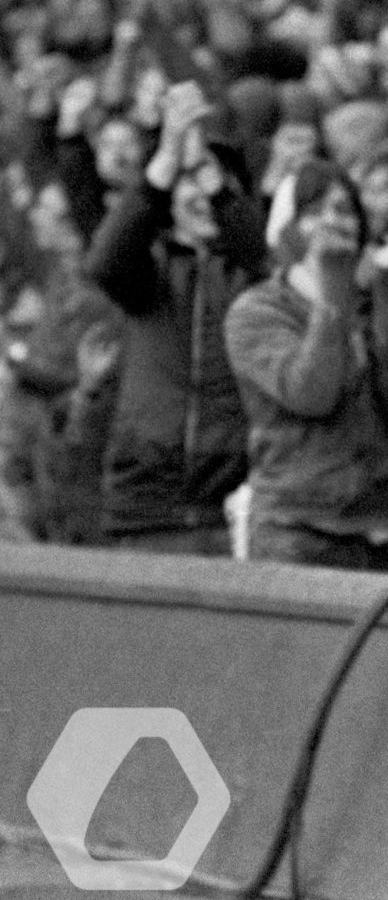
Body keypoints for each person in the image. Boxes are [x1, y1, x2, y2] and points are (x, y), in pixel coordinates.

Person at [82, 79, 267, 554]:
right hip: (146, 507)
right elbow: (104, 262)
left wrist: (209, 176)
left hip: (235, 506)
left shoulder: (252, 275)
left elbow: (266, 258)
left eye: (214, 180)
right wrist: (165, 158)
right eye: (189, 181)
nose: (203, 194)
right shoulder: (148, 272)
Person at [224, 159, 388, 568]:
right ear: (286, 230)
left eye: (343, 210)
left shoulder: (369, 301)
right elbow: (310, 394)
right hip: (294, 529)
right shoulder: (256, 311)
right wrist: (333, 294)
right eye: (314, 212)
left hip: (375, 529)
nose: (332, 222)